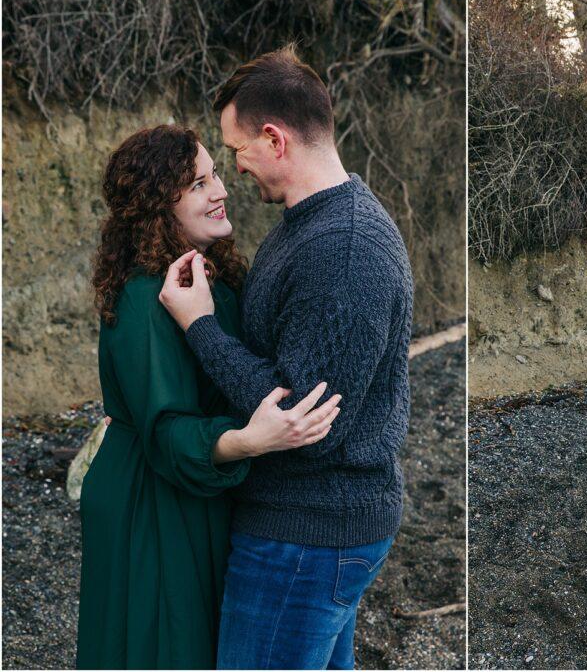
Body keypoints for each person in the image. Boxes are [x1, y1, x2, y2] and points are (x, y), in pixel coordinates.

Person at [158, 46, 414, 669]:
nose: (234, 171)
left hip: (306, 533)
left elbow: (304, 419)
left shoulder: (344, 249)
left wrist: (200, 327)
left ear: (273, 140)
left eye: (236, 150)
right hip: (314, 529)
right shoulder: (311, 224)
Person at [78, 125, 341, 669]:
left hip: (202, 494)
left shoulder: (213, 274)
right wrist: (248, 441)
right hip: (152, 501)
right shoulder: (143, 297)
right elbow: (167, 431)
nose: (221, 189)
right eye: (199, 184)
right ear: (157, 206)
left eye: (215, 173)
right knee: (163, 647)